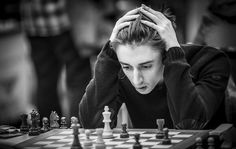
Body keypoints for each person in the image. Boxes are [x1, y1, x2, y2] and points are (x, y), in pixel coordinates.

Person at [79, 4, 230, 130]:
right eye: (127, 67)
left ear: (165, 55)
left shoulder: (210, 61)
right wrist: (108, 55)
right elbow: (92, 125)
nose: (136, 80)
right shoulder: (117, 68)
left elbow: (190, 126)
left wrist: (174, 55)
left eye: (146, 66)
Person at [21, 0, 92, 119]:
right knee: (78, 79)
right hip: (66, 20)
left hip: (33, 22)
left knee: (45, 83)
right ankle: (78, 129)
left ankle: (49, 131)